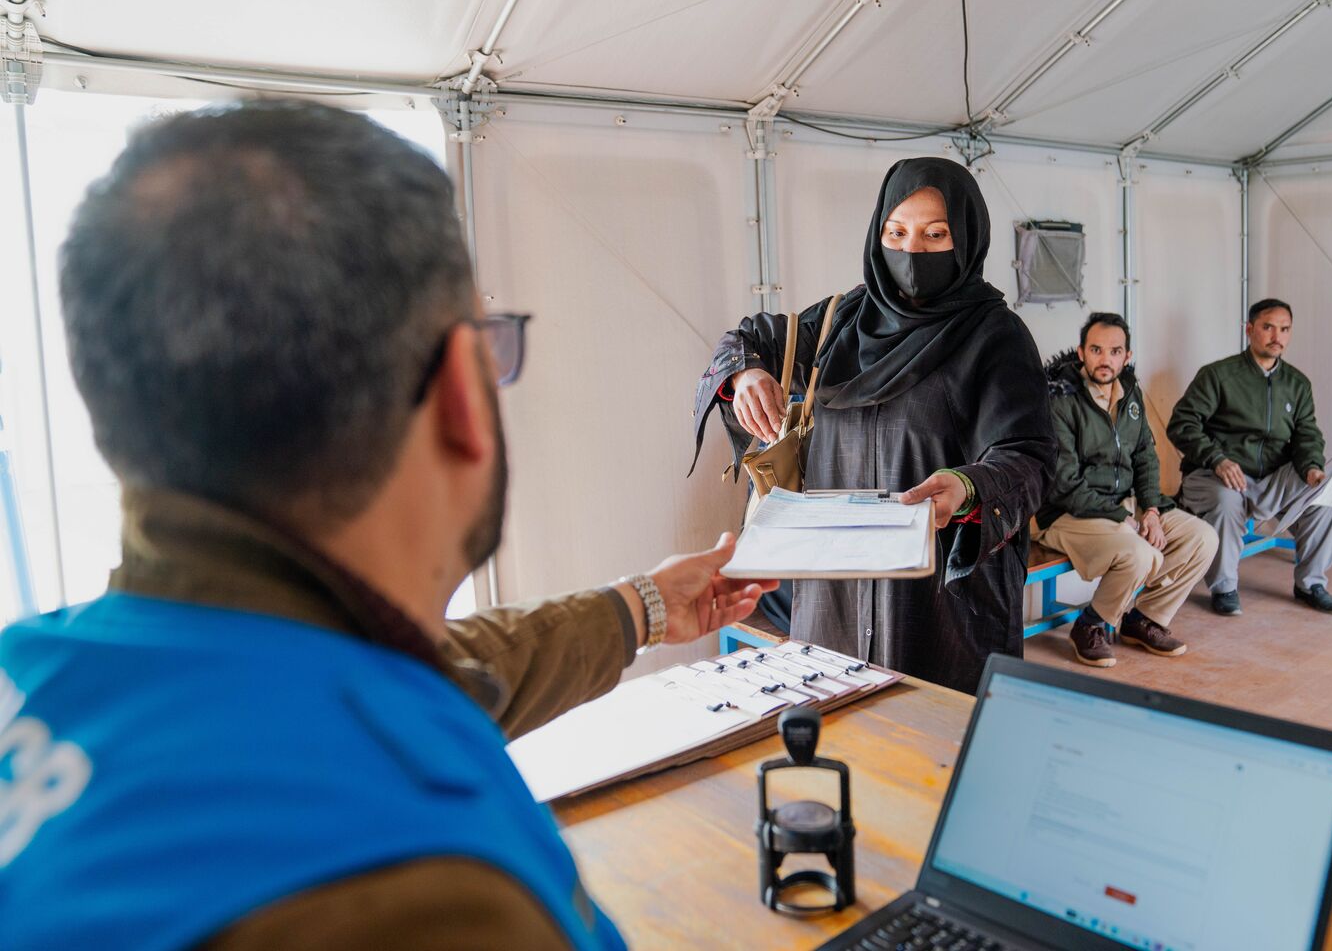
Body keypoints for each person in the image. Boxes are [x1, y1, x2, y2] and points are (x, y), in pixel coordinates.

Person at [0, 101, 772, 951]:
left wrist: (645, 606)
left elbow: (433, 675)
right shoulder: (424, 897)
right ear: (461, 393)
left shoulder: (51, 670)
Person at [691, 157, 1055, 693]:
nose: (912, 251)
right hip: (835, 586)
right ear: (877, 232)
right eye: (897, 231)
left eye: (936, 234)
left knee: (934, 744)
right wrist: (745, 374)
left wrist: (968, 484)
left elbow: (1029, 457)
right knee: (843, 736)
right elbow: (747, 338)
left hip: (941, 597)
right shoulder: (842, 320)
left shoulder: (995, 336)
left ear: (969, 236)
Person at [1032, 313, 1217, 667]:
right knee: (1141, 553)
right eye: (1097, 350)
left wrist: (1150, 511)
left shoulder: (1130, 391)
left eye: (1115, 351)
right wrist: (1124, 519)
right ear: (1081, 351)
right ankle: (1090, 625)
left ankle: (1143, 619)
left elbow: (1145, 456)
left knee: (1202, 537)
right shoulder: (1059, 399)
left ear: (1127, 356)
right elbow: (1064, 482)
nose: (1106, 359)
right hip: (1067, 512)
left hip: (1125, 505)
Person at [1167, 298, 1332, 616]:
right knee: (1226, 501)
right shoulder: (1218, 375)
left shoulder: (1297, 383)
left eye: (1285, 329)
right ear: (1249, 330)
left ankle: (1311, 585)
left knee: (1327, 496)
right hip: (1216, 474)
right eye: (1268, 327)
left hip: (1270, 479)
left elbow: (1307, 434)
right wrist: (1217, 459)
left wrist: (1312, 468)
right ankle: (1224, 588)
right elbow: (1182, 424)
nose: (1277, 336)